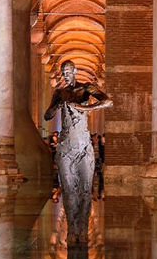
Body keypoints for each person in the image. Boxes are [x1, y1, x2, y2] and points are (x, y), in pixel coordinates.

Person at [44, 61, 112, 243]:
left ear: (74, 71)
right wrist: (56, 106)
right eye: (63, 72)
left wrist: (85, 108)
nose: (66, 75)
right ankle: (72, 230)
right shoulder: (60, 92)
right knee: (68, 190)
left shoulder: (86, 88)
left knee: (84, 190)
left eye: (68, 71)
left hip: (83, 146)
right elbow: (47, 115)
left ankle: (82, 228)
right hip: (65, 146)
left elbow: (108, 102)